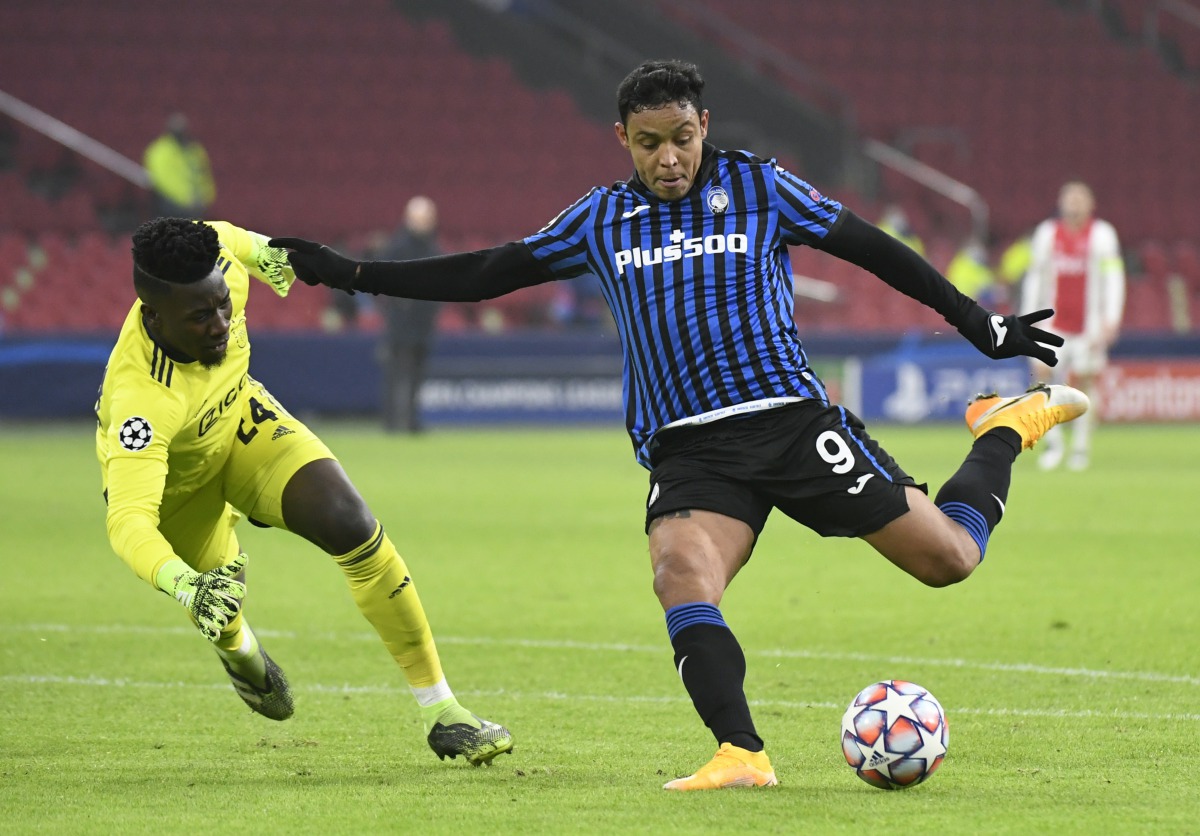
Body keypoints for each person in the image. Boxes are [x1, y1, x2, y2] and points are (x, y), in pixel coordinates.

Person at [271, 59, 1086, 791]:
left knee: (950, 559)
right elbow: (488, 273)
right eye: (650, 142)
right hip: (689, 447)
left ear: (704, 128)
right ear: (623, 139)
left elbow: (872, 248)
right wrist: (352, 274)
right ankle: (741, 753)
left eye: (683, 139)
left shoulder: (760, 187)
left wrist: (979, 323)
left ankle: (1001, 429)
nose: (669, 158)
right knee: (680, 578)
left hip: (789, 422)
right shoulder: (600, 218)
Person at [95, 217, 513, 766]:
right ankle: (241, 653)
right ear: (154, 316)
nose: (220, 324)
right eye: (199, 317)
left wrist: (275, 254)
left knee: (351, 522)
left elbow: (238, 240)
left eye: (222, 305)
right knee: (221, 606)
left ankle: (443, 711)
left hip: (240, 422)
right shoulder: (140, 400)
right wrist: (183, 584)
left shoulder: (216, 261)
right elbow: (128, 521)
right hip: (180, 487)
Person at [1020, 181, 1125, 471]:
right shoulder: (1047, 234)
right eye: (1070, 198)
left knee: (1084, 383)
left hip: (1088, 325)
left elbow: (1113, 278)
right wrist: (1027, 318)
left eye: (1080, 198)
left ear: (1091, 204)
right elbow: (1035, 277)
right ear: (1060, 203)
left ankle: (1080, 448)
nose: (1074, 203)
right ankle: (1054, 444)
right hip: (1052, 322)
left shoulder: (1102, 235)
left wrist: (1111, 318)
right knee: (1041, 376)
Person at [373, 196, 443, 432]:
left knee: (417, 376)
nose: (426, 222)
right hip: (400, 324)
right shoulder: (398, 247)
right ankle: (392, 422)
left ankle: (412, 421)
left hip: (423, 323)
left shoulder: (433, 247)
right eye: (421, 218)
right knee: (396, 374)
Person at [143, 113, 216, 219]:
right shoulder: (160, 150)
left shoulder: (194, 150)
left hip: (196, 206)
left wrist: (206, 198)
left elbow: (204, 175)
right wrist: (186, 199)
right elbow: (164, 180)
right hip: (171, 205)